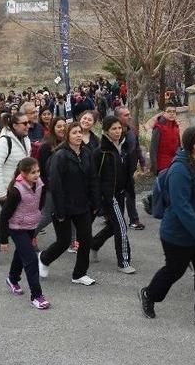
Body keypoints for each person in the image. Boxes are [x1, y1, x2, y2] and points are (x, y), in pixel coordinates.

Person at [139, 126, 195, 329]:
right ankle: (149, 294)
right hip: (179, 235)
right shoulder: (180, 170)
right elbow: (182, 207)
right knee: (175, 270)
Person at [38, 121, 100, 285]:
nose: (79, 135)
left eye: (80, 132)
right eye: (74, 133)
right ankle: (44, 258)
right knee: (63, 241)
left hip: (83, 204)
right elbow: (55, 185)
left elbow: (93, 179)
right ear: (67, 136)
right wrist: (59, 211)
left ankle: (79, 274)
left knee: (85, 239)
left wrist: (95, 202)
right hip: (63, 205)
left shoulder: (87, 153)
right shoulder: (59, 156)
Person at [0, 157, 50, 309]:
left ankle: (12, 279)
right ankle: (37, 296)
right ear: (23, 173)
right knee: (31, 259)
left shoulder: (40, 184)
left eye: (38, 171)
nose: (37, 175)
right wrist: (3, 239)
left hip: (31, 225)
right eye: (33, 172)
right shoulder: (16, 190)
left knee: (21, 254)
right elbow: (5, 215)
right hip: (16, 227)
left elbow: (40, 202)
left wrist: (37, 214)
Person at [90, 116, 135, 273]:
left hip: (121, 194)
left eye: (119, 128)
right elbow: (94, 179)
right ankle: (124, 262)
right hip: (109, 196)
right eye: (113, 129)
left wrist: (130, 190)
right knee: (122, 227)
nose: (117, 131)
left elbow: (127, 173)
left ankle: (94, 244)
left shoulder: (124, 147)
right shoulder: (100, 153)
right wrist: (98, 201)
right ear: (106, 132)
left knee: (113, 226)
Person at [0, 112, 32, 263]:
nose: (28, 125)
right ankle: (22, 250)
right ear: (14, 125)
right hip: (7, 189)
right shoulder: (4, 141)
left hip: (21, 187)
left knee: (14, 220)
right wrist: (0, 192)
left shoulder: (26, 139)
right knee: (14, 220)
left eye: (29, 122)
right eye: (24, 123)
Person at [115, 106, 146, 230]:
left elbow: (137, 148)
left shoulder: (131, 130)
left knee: (130, 194)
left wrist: (142, 162)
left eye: (129, 114)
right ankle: (115, 219)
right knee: (117, 197)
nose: (130, 117)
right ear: (118, 117)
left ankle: (134, 220)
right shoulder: (113, 133)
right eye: (126, 115)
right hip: (117, 172)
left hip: (129, 170)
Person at [149, 105, 181, 176]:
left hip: (174, 163)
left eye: (174, 112)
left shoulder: (176, 126)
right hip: (162, 166)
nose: (172, 114)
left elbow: (178, 145)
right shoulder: (159, 127)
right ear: (164, 113)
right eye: (169, 111)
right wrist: (154, 166)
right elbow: (153, 148)